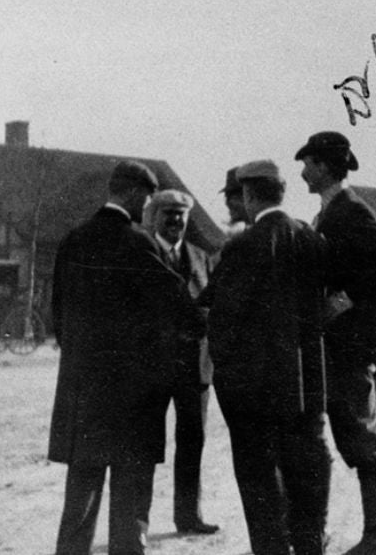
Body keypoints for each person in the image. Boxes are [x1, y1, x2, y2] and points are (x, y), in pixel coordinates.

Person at [48, 161, 206, 555]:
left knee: (82, 491)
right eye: (148, 197)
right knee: (130, 495)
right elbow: (177, 307)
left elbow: (58, 316)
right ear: (135, 193)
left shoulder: (73, 240)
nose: (148, 204)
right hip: (132, 396)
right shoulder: (138, 243)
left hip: (84, 391)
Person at [295, 131, 376, 555]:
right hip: (364, 341)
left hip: (354, 345)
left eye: (308, 162)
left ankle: (373, 538)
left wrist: (344, 299)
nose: (303, 171)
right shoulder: (335, 211)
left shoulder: (350, 211)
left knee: (364, 436)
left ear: (325, 166)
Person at [202, 159, 331, 555]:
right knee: (306, 477)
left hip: (255, 392)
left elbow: (221, 317)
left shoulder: (242, 246)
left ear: (248, 195)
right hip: (307, 386)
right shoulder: (311, 239)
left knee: (260, 484)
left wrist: (225, 371)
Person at [143, 189, 219, 535]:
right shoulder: (143, 253)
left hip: (195, 368)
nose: (175, 220)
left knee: (193, 442)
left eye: (181, 215)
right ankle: (136, 523)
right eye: (168, 214)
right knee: (143, 445)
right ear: (154, 217)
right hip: (154, 367)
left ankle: (188, 515)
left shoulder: (202, 258)